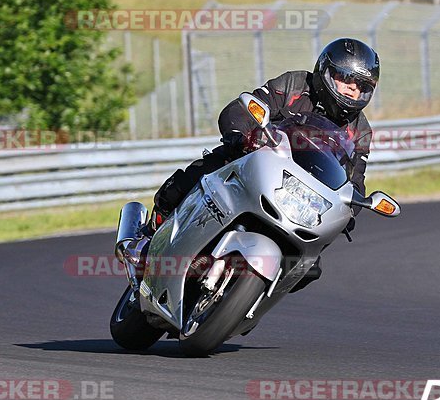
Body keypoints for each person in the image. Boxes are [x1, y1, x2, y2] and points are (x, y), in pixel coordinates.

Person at [150, 38, 379, 290]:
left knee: (309, 266)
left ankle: (256, 297)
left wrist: (350, 210)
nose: (352, 89)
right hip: (259, 163)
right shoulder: (295, 85)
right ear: (326, 71)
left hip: (302, 197)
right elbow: (243, 109)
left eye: (361, 85)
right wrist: (241, 137)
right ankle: (151, 236)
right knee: (203, 171)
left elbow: (356, 178)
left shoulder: (361, 131)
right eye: (346, 79)